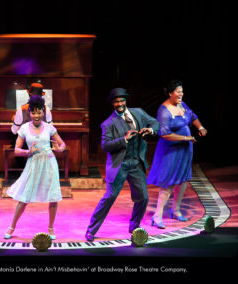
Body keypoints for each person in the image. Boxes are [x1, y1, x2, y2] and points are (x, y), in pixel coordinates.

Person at [85, 88, 159, 242]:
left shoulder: (138, 113)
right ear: (112, 103)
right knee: (110, 197)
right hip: (120, 165)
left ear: (126, 100)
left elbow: (155, 122)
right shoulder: (108, 123)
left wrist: (150, 129)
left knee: (143, 198)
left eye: (122, 100)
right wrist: (124, 139)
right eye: (116, 101)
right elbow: (105, 146)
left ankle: (134, 226)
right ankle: (91, 230)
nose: (119, 103)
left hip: (136, 163)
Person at [147, 80, 207, 229]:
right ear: (170, 93)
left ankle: (176, 210)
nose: (181, 94)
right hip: (171, 151)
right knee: (169, 183)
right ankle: (157, 216)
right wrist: (186, 138)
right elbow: (165, 134)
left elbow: (192, 116)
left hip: (185, 150)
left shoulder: (182, 104)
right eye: (178, 92)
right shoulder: (164, 110)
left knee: (182, 182)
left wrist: (200, 127)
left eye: (182, 91)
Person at [5, 95, 66, 240]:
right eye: (33, 112)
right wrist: (28, 152)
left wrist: (59, 149)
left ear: (43, 113)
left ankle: (51, 228)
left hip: (49, 163)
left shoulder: (50, 127)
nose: (36, 115)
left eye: (39, 112)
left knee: (53, 197)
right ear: (30, 113)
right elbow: (16, 150)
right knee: (24, 198)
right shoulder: (24, 128)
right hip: (33, 164)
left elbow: (62, 145)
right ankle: (11, 227)